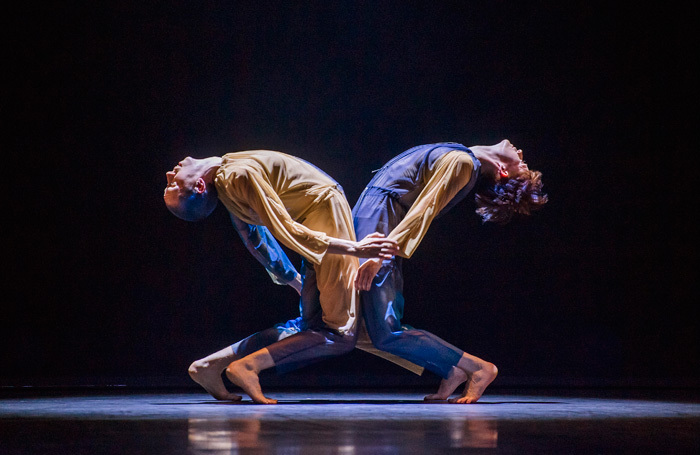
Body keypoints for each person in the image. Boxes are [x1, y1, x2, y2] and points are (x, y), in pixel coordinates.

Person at [164, 150, 409, 403]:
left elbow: (255, 239)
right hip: (326, 221)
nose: (170, 173)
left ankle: (210, 366)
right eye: (174, 183)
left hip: (318, 230)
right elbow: (285, 230)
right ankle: (248, 366)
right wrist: (355, 249)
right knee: (342, 333)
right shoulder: (238, 175)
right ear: (201, 185)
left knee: (310, 328)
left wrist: (291, 278)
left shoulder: (229, 178)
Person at [352, 140, 547, 403]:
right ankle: (451, 369)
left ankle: (477, 367)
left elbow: (423, 212)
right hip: (373, 220)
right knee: (358, 325)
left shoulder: (462, 163)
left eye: (521, 164)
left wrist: (382, 253)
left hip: (380, 226)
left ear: (502, 170)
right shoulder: (460, 156)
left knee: (381, 331)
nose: (521, 152)